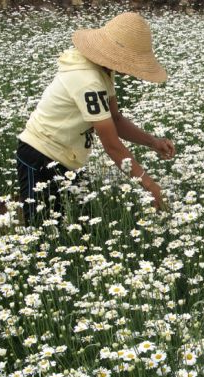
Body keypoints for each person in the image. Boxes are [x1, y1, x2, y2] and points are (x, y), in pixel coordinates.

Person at [16, 12, 175, 225]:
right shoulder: (87, 80)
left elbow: (115, 120)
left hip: (65, 158)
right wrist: (150, 185)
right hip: (40, 155)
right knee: (40, 227)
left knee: (77, 223)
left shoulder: (102, 71)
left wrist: (152, 142)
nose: (132, 71)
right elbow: (112, 146)